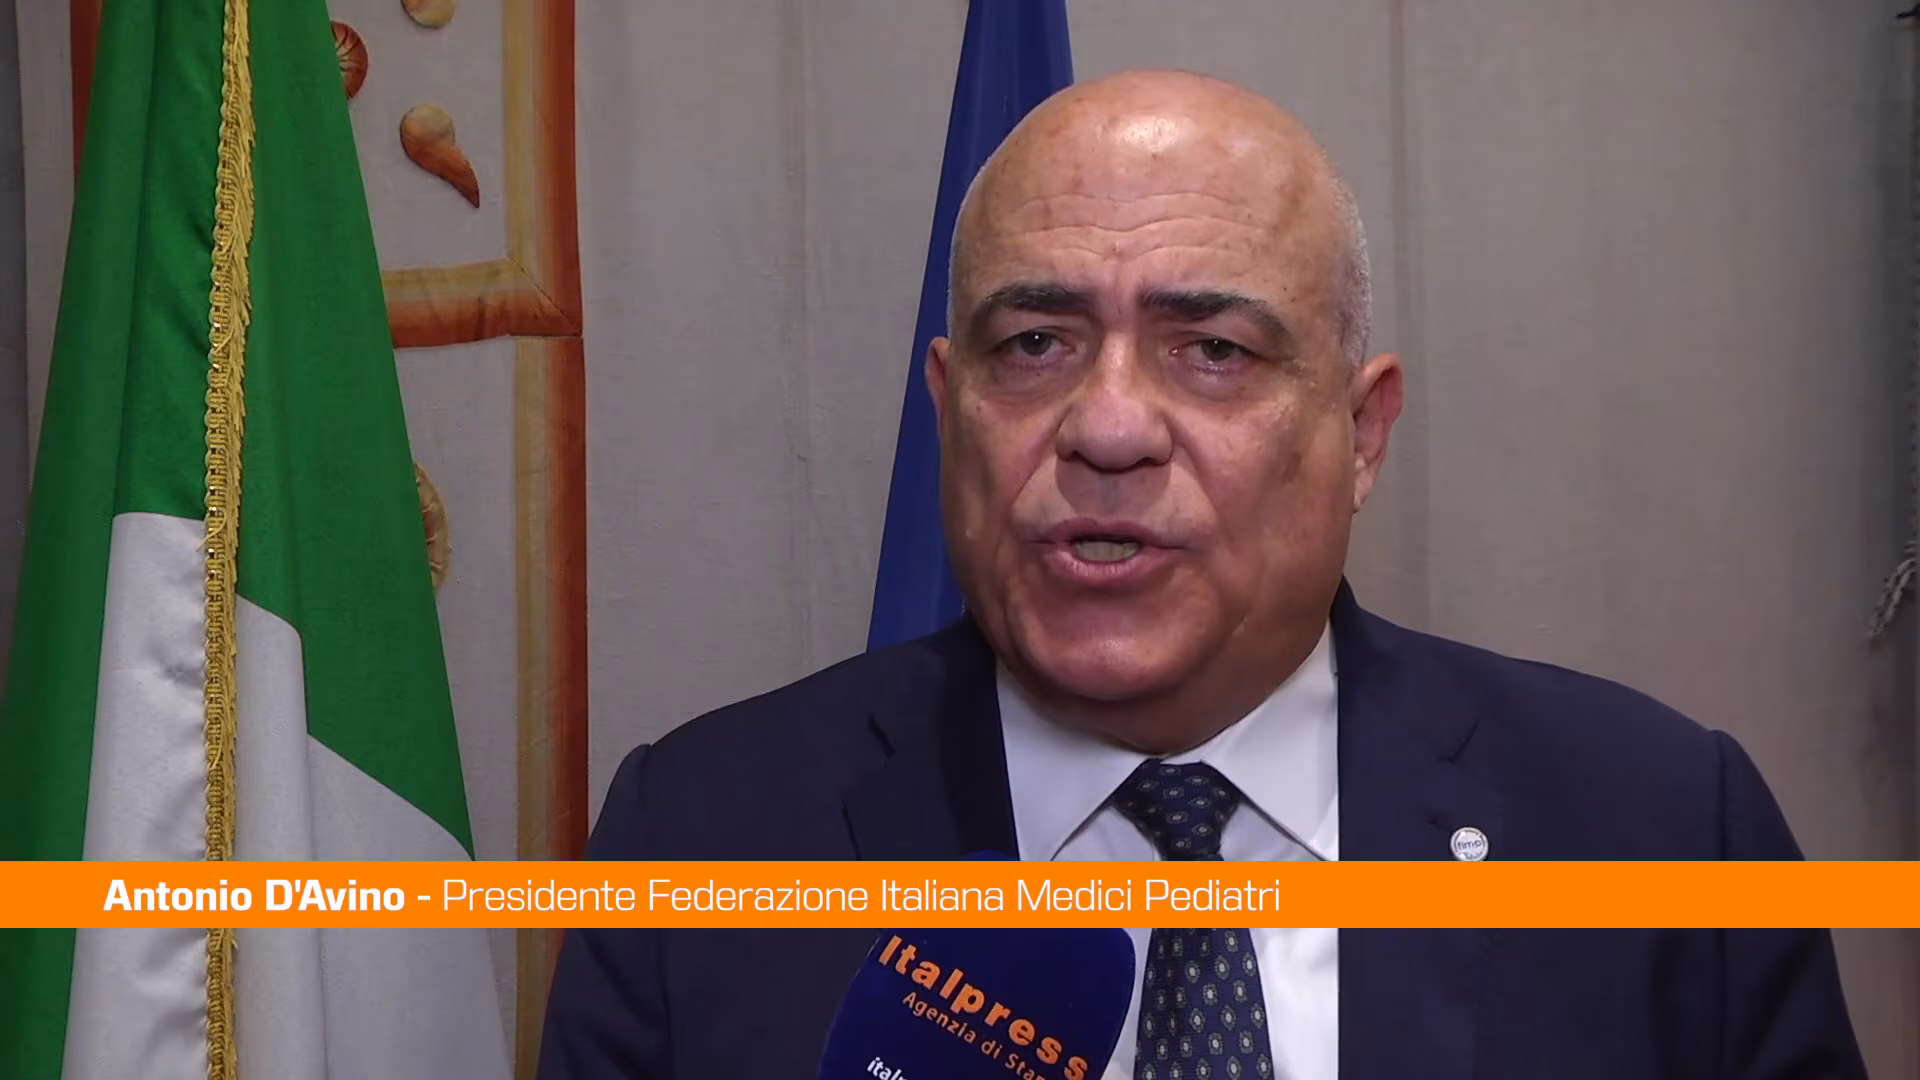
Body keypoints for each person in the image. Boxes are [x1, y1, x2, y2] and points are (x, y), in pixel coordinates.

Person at [536, 70, 1866, 1080]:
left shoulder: (1660, 827)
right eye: (1036, 343)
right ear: (949, 409)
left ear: (1362, 433)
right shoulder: (696, 842)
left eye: (1214, 350)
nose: (1109, 428)